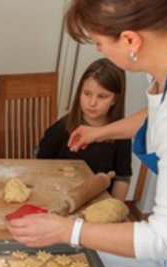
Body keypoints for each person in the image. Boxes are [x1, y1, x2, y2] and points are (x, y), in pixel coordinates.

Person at [8, 0, 167, 267]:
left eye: (98, 42)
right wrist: (102, 132)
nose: (99, 50)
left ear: (130, 40)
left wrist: (67, 230)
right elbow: (162, 112)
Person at [37, 58, 131, 201]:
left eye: (102, 96)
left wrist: (115, 209)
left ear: (115, 99)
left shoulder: (120, 134)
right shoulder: (61, 129)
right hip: (60, 199)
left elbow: (122, 178)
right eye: (87, 93)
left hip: (98, 204)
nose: (92, 103)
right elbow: (41, 165)